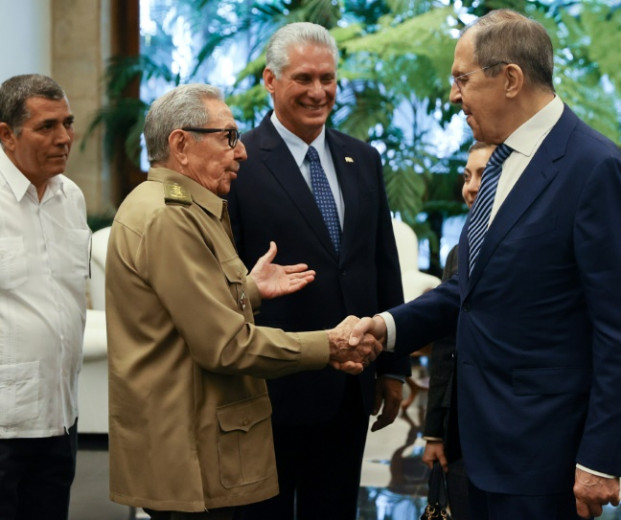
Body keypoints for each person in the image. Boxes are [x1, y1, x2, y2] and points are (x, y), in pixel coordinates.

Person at [351, 9, 621, 520]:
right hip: (476, 448)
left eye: (461, 79)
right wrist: (386, 327)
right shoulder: (501, 164)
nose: (453, 95)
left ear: (510, 78)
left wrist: (600, 458)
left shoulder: (593, 167)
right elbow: (466, 289)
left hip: (545, 456)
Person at [105, 83, 381, 520]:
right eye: (228, 138)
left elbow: (185, 310)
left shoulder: (186, 206)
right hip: (191, 455)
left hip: (197, 443)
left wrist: (249, 290)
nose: (242, 152)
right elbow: (225, 346)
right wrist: (328, 345)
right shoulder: (169, 218)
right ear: (181, 145)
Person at [226, 22, 410, 520]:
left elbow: (381, 264)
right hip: (272, 389)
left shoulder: (363, 159)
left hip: (351, 388)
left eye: (327, 79)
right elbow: (227, 280)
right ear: (270, 79)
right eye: (303, 78)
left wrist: (393, 368)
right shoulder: (238, 163)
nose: (318, 92)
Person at [0, 74, 88, 520]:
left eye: (67, 124)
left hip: (61, 418)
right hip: (4, 425)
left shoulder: (70, 198)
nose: (64, 138)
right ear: (6, 134)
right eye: (47, 127)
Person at [422, 141, 495, 520]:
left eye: (482, 175)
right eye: (467, 176)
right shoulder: (458, 252)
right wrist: (434, 430)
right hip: (461, 430)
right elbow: (445, 343)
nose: (470, 187)